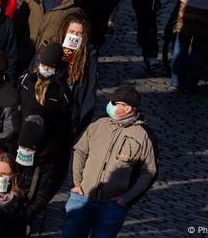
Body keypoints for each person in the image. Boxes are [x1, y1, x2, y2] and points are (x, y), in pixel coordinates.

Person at [64, 86, 157, 238]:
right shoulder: (99, 124)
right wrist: (75, 184)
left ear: (127, 109)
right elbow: (79, 150)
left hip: (112, 206)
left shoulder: (144, 136)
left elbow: (149, 172)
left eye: (115, 103)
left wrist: (126, 199)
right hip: (82, 198)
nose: (110, 105)